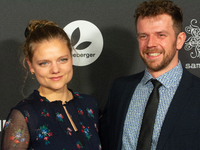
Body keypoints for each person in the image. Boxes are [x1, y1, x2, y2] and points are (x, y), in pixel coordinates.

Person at [99, 0, 200, 149]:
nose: (150, 43)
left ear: (179, 40)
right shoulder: (120, 89)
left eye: (160, 35)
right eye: (143, 36)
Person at [1, 19, 101, 150]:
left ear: (71, 58)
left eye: (62, 60)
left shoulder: (89, 105)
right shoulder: (24, 115)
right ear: (31, 65)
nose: (55, 69)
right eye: (44, 63)